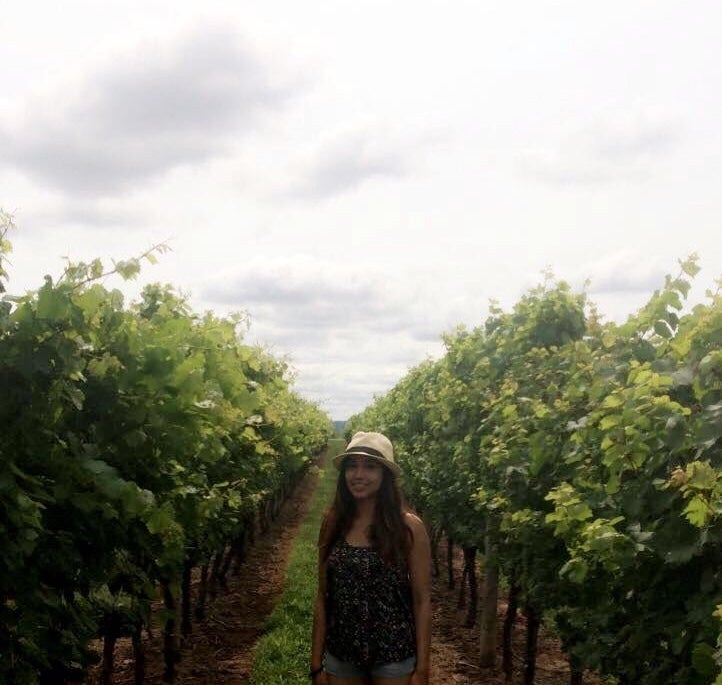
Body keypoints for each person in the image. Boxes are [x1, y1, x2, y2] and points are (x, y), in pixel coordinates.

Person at [310, 431, 432, 685]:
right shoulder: (333, 523)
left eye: (370, 467)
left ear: (385, 475)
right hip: (341, 654)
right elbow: (323, 595)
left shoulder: (409, 528)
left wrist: (422, 670)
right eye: (352, 466)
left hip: (394, 656)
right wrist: (316, 664)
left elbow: (422, 602)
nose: (359, 475)